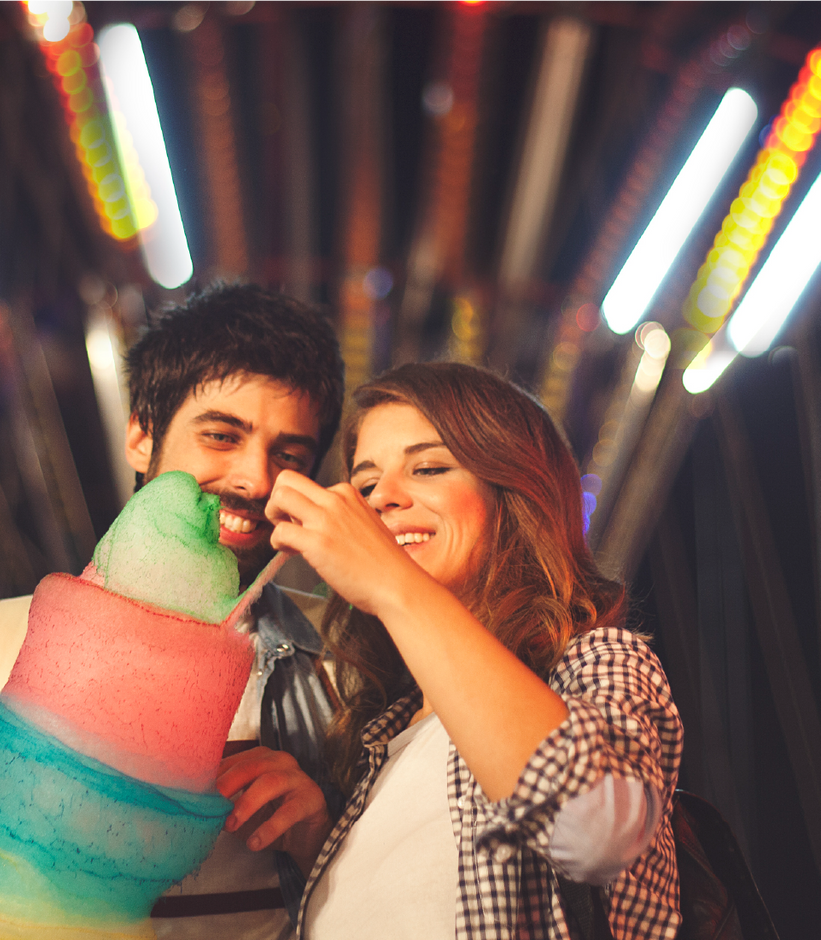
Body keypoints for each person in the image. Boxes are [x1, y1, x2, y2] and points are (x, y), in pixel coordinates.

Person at [0, 283, 346, 940]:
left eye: (290, 455)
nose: (256, 479)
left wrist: (324, 842)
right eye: (222, 435)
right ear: (141, 437)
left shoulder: (343, 666)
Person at [244, 362, 683, 938]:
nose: (382, 500)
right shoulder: (385, 730)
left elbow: (597, 827)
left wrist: (391, 585)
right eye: (366, 483)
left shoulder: (594, 662)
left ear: (513, 493)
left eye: (427, 467)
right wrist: (319, 848)